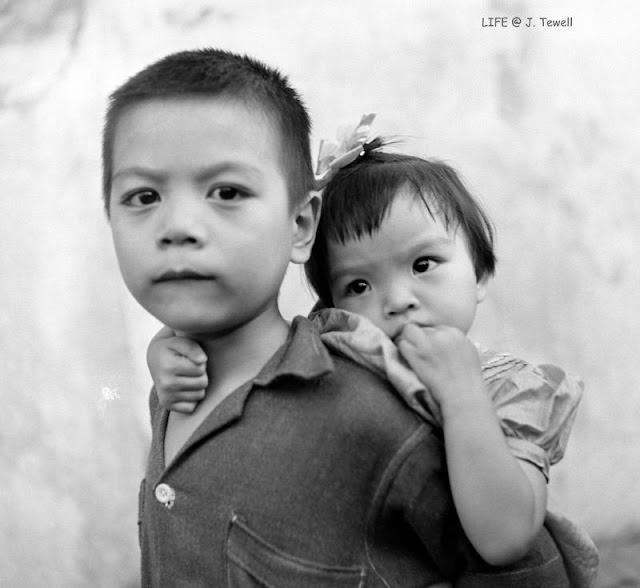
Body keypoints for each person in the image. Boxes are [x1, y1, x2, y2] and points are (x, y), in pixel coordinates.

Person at [108, 50, 572, 587]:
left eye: (424, 265)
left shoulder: (482, 394)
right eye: (358, 286)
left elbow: (510, 546)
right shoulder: (326, 351)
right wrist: (164, 346)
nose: (397, 301)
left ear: (482, 273)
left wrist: (464, 394)